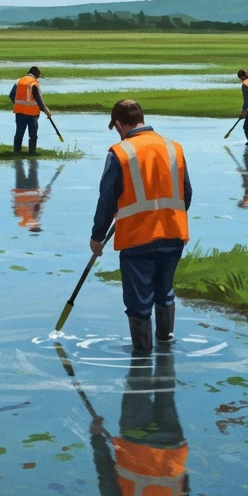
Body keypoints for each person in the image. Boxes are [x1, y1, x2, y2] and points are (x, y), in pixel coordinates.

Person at [90, 99, 192, 353]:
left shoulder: (120, 152)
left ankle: (142, 359)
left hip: (138, 238)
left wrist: (97, 236)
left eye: (116, 127)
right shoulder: (173, 148)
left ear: (120, 123)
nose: (118, 132)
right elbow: (186, 194)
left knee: (139, 302)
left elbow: (107, 199)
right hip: (174, 233)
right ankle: (166, 346)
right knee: (164, 291)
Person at [90, 338, 189, 496]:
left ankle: (165, 349)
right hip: (136, 443)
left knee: (166, 390)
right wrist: (97, 437)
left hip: (172, 445)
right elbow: (105, 476)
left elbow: (184, 484)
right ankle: (143, 347)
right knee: (137, 385)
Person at [9, 66, 52, 155]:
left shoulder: (19, 81)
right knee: (33, 135)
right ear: (37, 75)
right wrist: (46, 111)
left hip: (19, 112)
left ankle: (16, 151)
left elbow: (11, 95)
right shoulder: (34, 83)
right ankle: (32, 152)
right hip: (32, 113)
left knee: (19, 133)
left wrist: (16, 103)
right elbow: (39, 100)